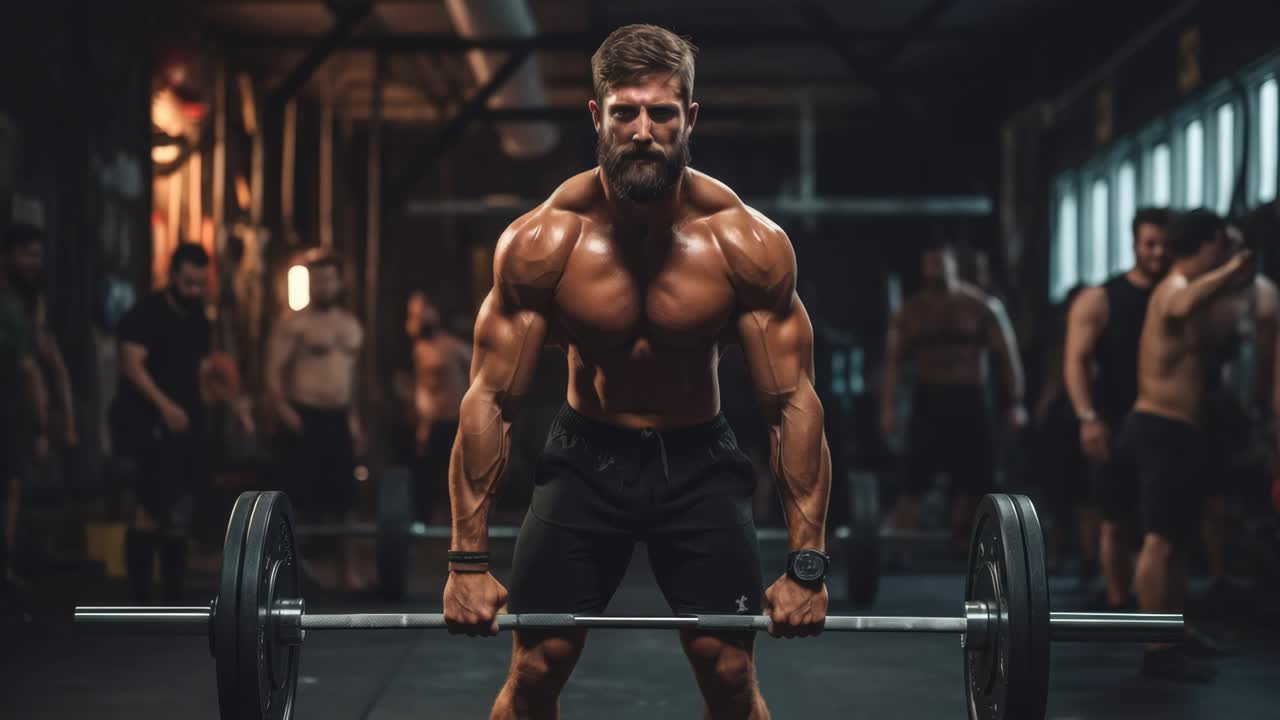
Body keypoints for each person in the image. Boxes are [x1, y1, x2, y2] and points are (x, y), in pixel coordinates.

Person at [442, 24, 832, 719]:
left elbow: (792, 403)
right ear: (597, 116)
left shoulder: (746, 244)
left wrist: (807, 566)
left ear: (690, 118)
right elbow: (490, 400)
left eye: (662, 112)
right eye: (625, 111)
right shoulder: (542, 244)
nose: (644, 131)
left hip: (700, 463)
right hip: (586, 459)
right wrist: (467, 564)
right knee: (535, 668)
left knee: (730, 673)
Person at [1124, 208, 1252, 682]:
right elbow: (1180, 306)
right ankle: (1156, 647)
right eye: (1223, 246)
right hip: (1160, 429)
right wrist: (1229, 273)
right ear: (1210, 245)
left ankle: (1175, 631)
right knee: (1159, 543)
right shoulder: (1173, 289)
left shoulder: (1196, 296)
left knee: (1176, 543)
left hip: (1181, 433)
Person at [111, 244, 244, 603]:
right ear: (172, 275)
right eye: (188, 283)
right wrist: (164, 405)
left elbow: (199, 366)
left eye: (201, 284)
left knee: (180, 505)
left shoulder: (199, 315)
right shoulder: (146, 313)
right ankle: (139, 596)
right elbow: (131, 364)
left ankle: (173, 592)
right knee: (150, 503)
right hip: (147, 419)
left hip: (186, 420)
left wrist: (227, 401)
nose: (195, 291)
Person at [1062, 207, 1172, 610]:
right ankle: (1118, 602)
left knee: (1161, 526)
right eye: (1150, 243)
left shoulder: (1179, 295)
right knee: (1114, 519)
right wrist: (1087, 417)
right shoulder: (1103, 298)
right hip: (1115, 420)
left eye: (1165, 244)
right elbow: (1075, 359)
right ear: (1134, 243)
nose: (1158, 252)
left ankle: (1155, 611)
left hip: (1165, 423)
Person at [880, 241, 1026, 541]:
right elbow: (892, 364)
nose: (934, 269)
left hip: (969, 399)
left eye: (940, 262)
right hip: (929, 400)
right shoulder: (910, 312)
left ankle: (970, 547)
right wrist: (888, 409)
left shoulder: (982, 307)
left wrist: (1016, 402)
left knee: (976, 482)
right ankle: (901, 548)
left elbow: (1008, 356)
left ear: (954, 265)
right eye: (929, 263)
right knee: (913, 483)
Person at [265, 255, 366, 591]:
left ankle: (347, 572)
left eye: (329, 280)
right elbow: (272, 371)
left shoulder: (351, 325)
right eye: (317, 280)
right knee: (298, 497)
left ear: (340, 283)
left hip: (338, 419)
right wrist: (283, 411)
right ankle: (293, 572)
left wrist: (353, 419)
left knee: (345, 499)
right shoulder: (293, 323)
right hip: (303, 417)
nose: (323, 286)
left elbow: (350, 379)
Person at [0, 227, 50, 590]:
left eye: (38, 255)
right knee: (10, 488)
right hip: (10, 407)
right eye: (27, 254)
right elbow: (28, 369)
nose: (34, 263)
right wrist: (42, 424)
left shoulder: (23, 304)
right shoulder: (10, 307)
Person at [407, 296, 470, 525]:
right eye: (414, 313)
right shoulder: (419, 349)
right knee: (432, 473)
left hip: (458, 418)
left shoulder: (453, 346)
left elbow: (476, 365)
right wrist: (424, 422)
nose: (419, 318)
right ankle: (432, 521)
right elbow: (422, 388)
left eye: (422, 311)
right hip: (434, 421)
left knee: (459, 472)